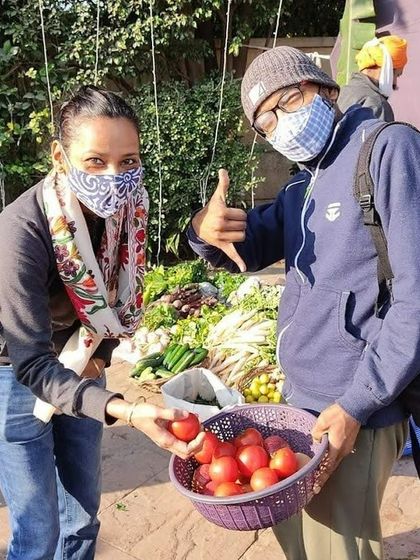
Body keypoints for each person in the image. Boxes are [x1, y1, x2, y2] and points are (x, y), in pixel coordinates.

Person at [188, 46, 419, 560]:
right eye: (266, 122)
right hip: (299, 405)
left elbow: (415, 298)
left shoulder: (385, 150)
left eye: (289, 100)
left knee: (339, 550)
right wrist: (203, 231)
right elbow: (243, 246)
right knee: (301, 545)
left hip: (355, 408)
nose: (282, 125)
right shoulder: (300, 185)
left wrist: (358, 403)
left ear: (326, 91)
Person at [0, 85, 203, 560]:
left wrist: (103, 356)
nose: (114, 177)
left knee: (83, 513)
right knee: (37, 528)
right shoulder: (20, 231)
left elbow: (118, 297)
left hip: (83, 355)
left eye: (127, 161)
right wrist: (127, 411)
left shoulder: (127, 214)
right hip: (17, 371)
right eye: (95, 161)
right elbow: (31, 363)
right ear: (59, 156)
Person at [337, 35, 408, 122]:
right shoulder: (378, 105)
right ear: (387, 69)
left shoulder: (341, 92)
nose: (395, 83)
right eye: (397, 75)